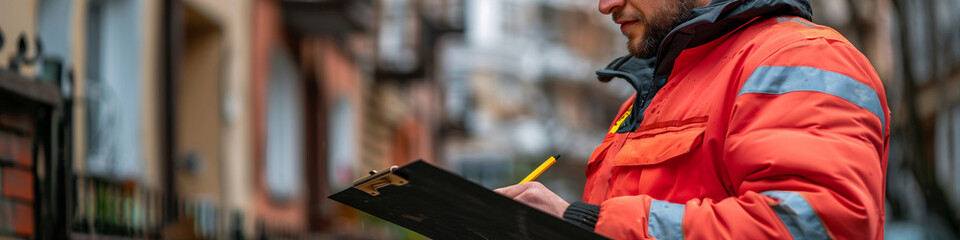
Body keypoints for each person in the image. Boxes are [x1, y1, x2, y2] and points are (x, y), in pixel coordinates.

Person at [493, 0, 889, 239]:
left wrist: (583, 223)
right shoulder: (647, 97)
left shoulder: (800, 58)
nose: (605, 5)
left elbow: (817, 229)